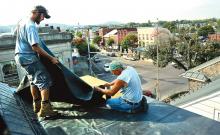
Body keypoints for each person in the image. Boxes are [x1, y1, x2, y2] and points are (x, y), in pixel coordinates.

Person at [15, 5, 58, 117]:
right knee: (45, 80)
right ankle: (46, 109)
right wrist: (51, 58)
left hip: (20, 56)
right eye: (43, 16)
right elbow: (35, 47)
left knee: (33, 80)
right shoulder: (31, 25)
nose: (43, 19)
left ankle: (37, 105)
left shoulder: (22, 21)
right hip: (29, 56)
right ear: (37, 13)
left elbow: (18, 35)